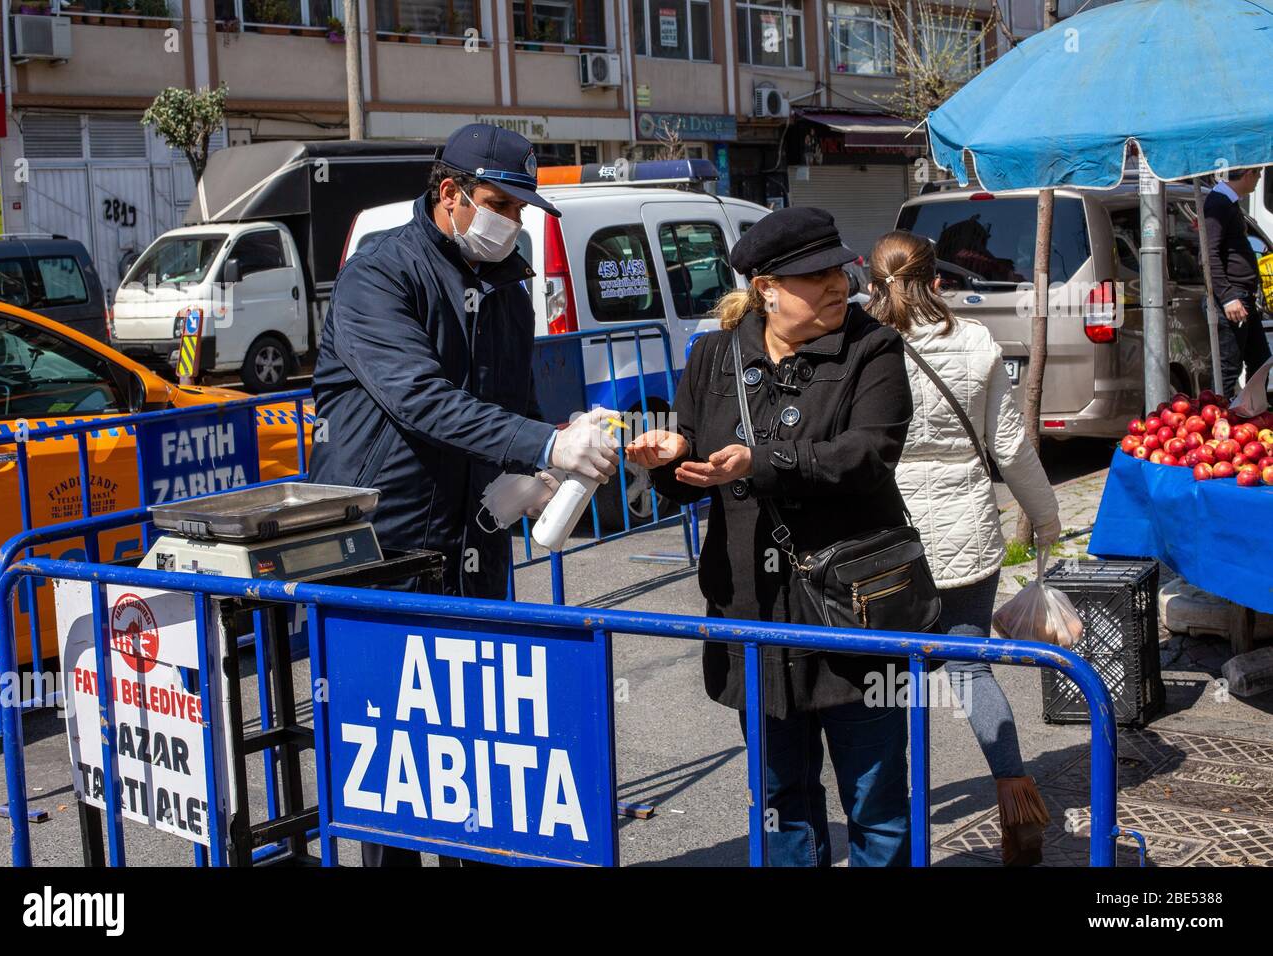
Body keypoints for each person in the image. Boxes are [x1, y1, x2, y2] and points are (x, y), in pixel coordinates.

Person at [309, 123, 620, 865]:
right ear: (448, 193)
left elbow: (505, 403)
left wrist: (527, 475)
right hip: (386, 539)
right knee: (391, 757)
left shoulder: (508, 284)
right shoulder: (379, 275)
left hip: (474, 539)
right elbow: (418, 397)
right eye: (497, 204)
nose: (509, 224)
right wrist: (546, 445)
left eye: (519, 211)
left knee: (475, 753)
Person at [625, 207, 915, 867]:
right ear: (767, 288)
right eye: (815, 276)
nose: (839, 284)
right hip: (752, 609)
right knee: (781, 797)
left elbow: (869, 455)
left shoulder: (874, 348)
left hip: (853, 611)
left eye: (839, 268)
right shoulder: (712, 355)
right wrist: (671, 457)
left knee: (877, 803)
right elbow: (695, 465)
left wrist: (762, 461)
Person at [867, 229, 1061, 866]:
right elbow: (1008, 447)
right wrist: (1046, 519)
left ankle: (894, 823)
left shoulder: (862, 346)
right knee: (969, 667)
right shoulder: (975, 341)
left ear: (874, 282)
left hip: (885, 535)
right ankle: (1017, 798)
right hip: (966, 530)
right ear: (939, 281)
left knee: (887, 679)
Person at [1204, 166, 1272, 397]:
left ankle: (1253, 415)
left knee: (1261, 360)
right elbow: (1209, 254)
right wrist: (1227, 296)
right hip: (1234, 297)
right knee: (1228, 368)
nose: (1259, 180)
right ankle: (1217, 420)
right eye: (1258, 174)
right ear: (1247, 174)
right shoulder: (1218, 203)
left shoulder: (1228, 202)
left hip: (1244, 296)